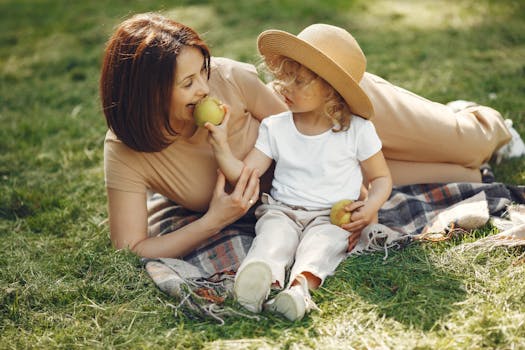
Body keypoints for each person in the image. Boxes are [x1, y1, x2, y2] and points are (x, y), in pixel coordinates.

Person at [100, 13, 511, 283]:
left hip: (338, 112)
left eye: (202, 72)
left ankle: (487, 120)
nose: (205, 88)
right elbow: (131, 247)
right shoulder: (127, 152)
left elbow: (304, 122)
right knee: (466, 175)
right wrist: (211, 222)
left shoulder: (229, 79)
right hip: (314, 185)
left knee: (469, 143)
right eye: (188, 83)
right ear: (148, 95)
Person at [204, 23, 392, 321]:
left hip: (331, 216)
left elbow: (381, 178)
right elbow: (245, 175)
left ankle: (299, 291)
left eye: (299, 81)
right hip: (282, 211)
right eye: (284, 77)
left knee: (322, 247)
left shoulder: (357, 131)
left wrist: (371, 208)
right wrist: (221, 147)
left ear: (332, 91)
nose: (285, 87)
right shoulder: (276, 127)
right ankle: (259, 280)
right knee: (272, 239)